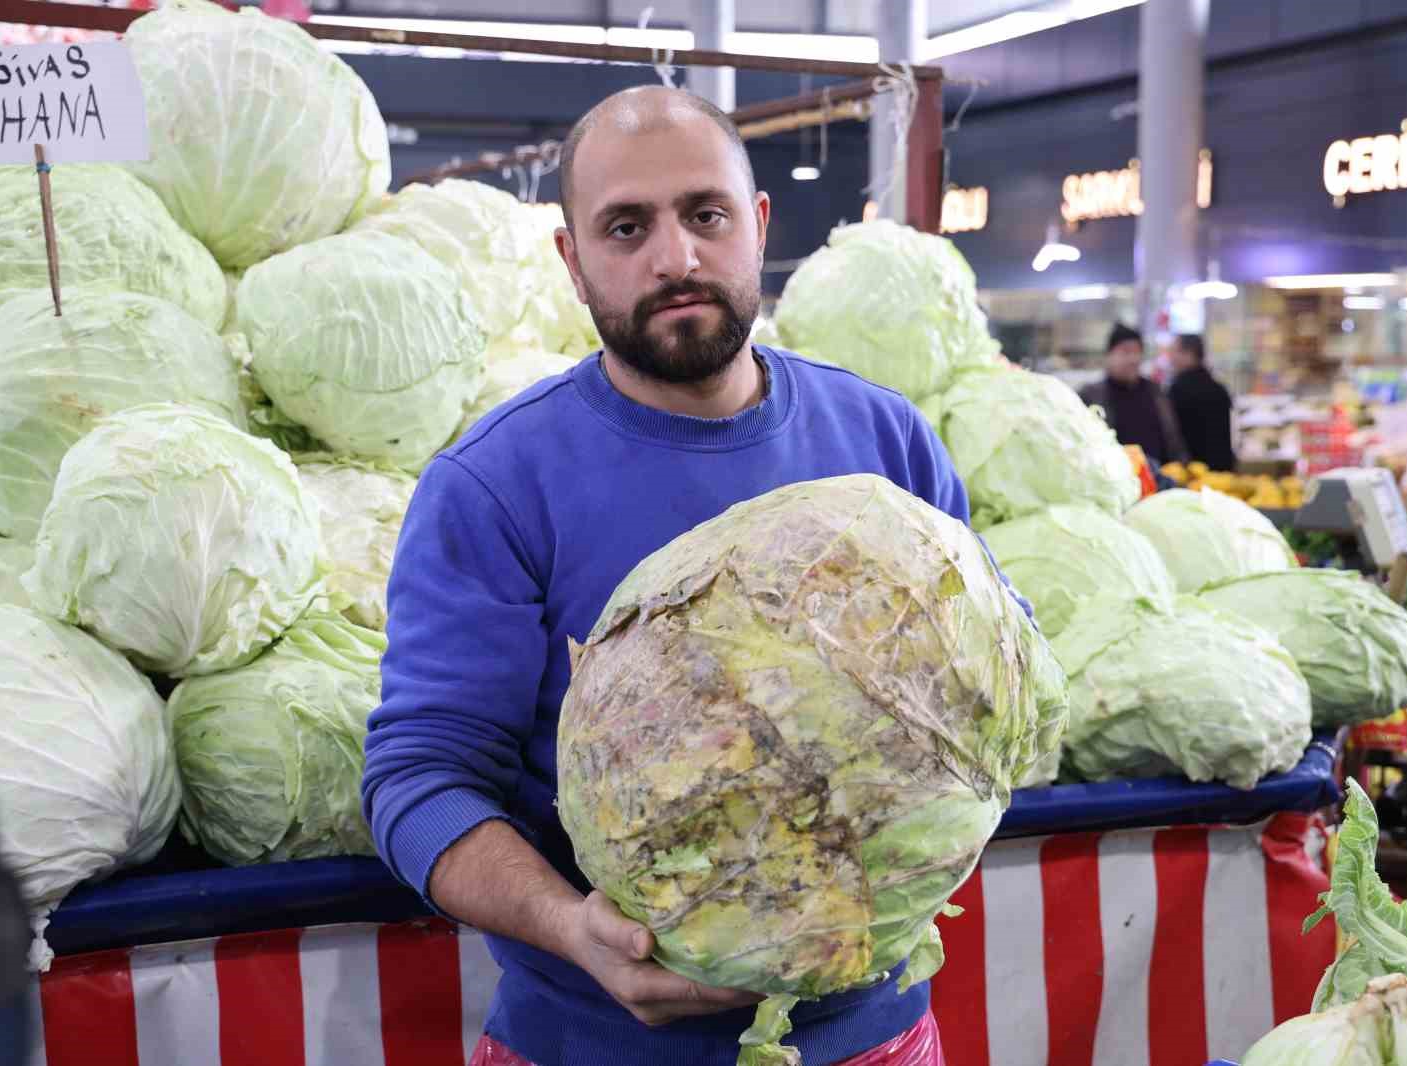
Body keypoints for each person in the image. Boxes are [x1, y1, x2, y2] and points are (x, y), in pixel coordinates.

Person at [361, 85, 987, 1066]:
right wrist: (574, 928)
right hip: (589, 1044)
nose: (675, 256)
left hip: (878, 1036)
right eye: (625, 226)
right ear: (572, 261)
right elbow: (417, 778)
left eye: (705, 214)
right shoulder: (492, 485)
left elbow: (997, 678)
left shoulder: (885, 443)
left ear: (758, 224)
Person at [1079, 323, 1188, 465]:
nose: (1133, 359)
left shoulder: (1156, 392)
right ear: (1109, 355)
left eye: (1137, 352)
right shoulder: (1091, 395)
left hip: (1160, 479)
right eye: (1126, 352)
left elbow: (1173, 439)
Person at [1167, 333, 1237, 472]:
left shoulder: (1178, 389)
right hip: (1222, 471)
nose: (1171, 357)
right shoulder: (1219, 389)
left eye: (1175, 351)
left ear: (1189, 354)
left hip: (1192, 473)